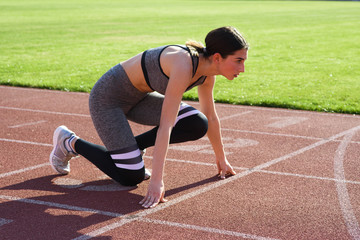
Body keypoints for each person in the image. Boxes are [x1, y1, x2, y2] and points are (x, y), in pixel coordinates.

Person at [49, 26, 248, 209]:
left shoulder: (207, 74)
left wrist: (221, 159)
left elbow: (210, 117)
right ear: (217, 57)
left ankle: (133, 150)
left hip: (140, 100)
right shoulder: (184, 64)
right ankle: (69, 142)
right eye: (238, 61)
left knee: (197, 123)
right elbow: (167, 125)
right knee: (130, 176)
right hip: (108, 100)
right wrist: (156, 181)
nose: (242, 68)